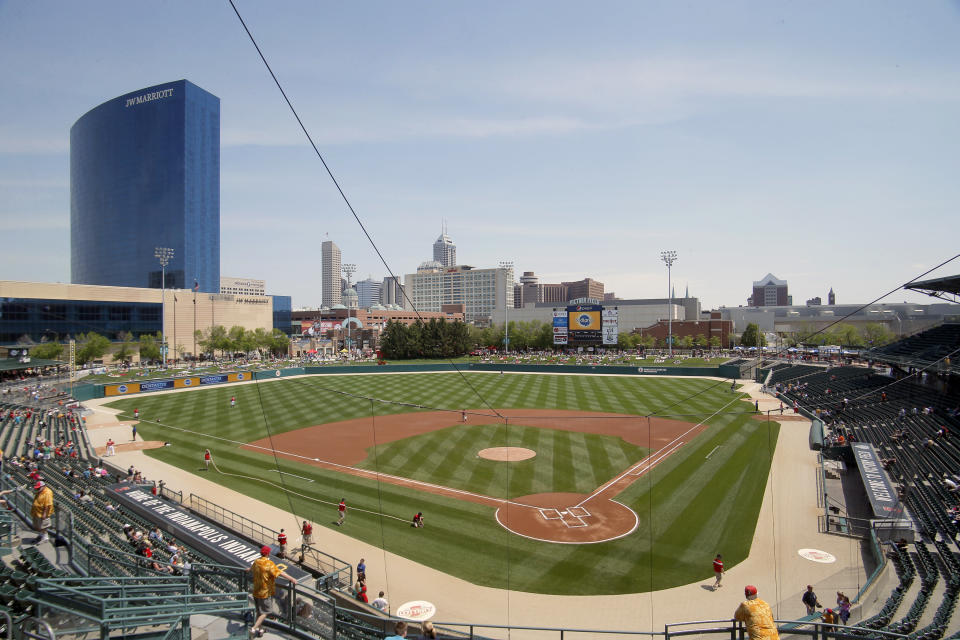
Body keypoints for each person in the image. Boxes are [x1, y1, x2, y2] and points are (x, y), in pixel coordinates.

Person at [247, 545, 298, 639]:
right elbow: (280, 572)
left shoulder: (257, 561)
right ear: (268, 553)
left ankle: (260, 629)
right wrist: (292, 579)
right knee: (266, 612)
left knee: (259, 612)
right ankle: (253, 629)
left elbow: (250, 569)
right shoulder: (269, 563)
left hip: (256, 591)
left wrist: (248, 570)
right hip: (264, 592)